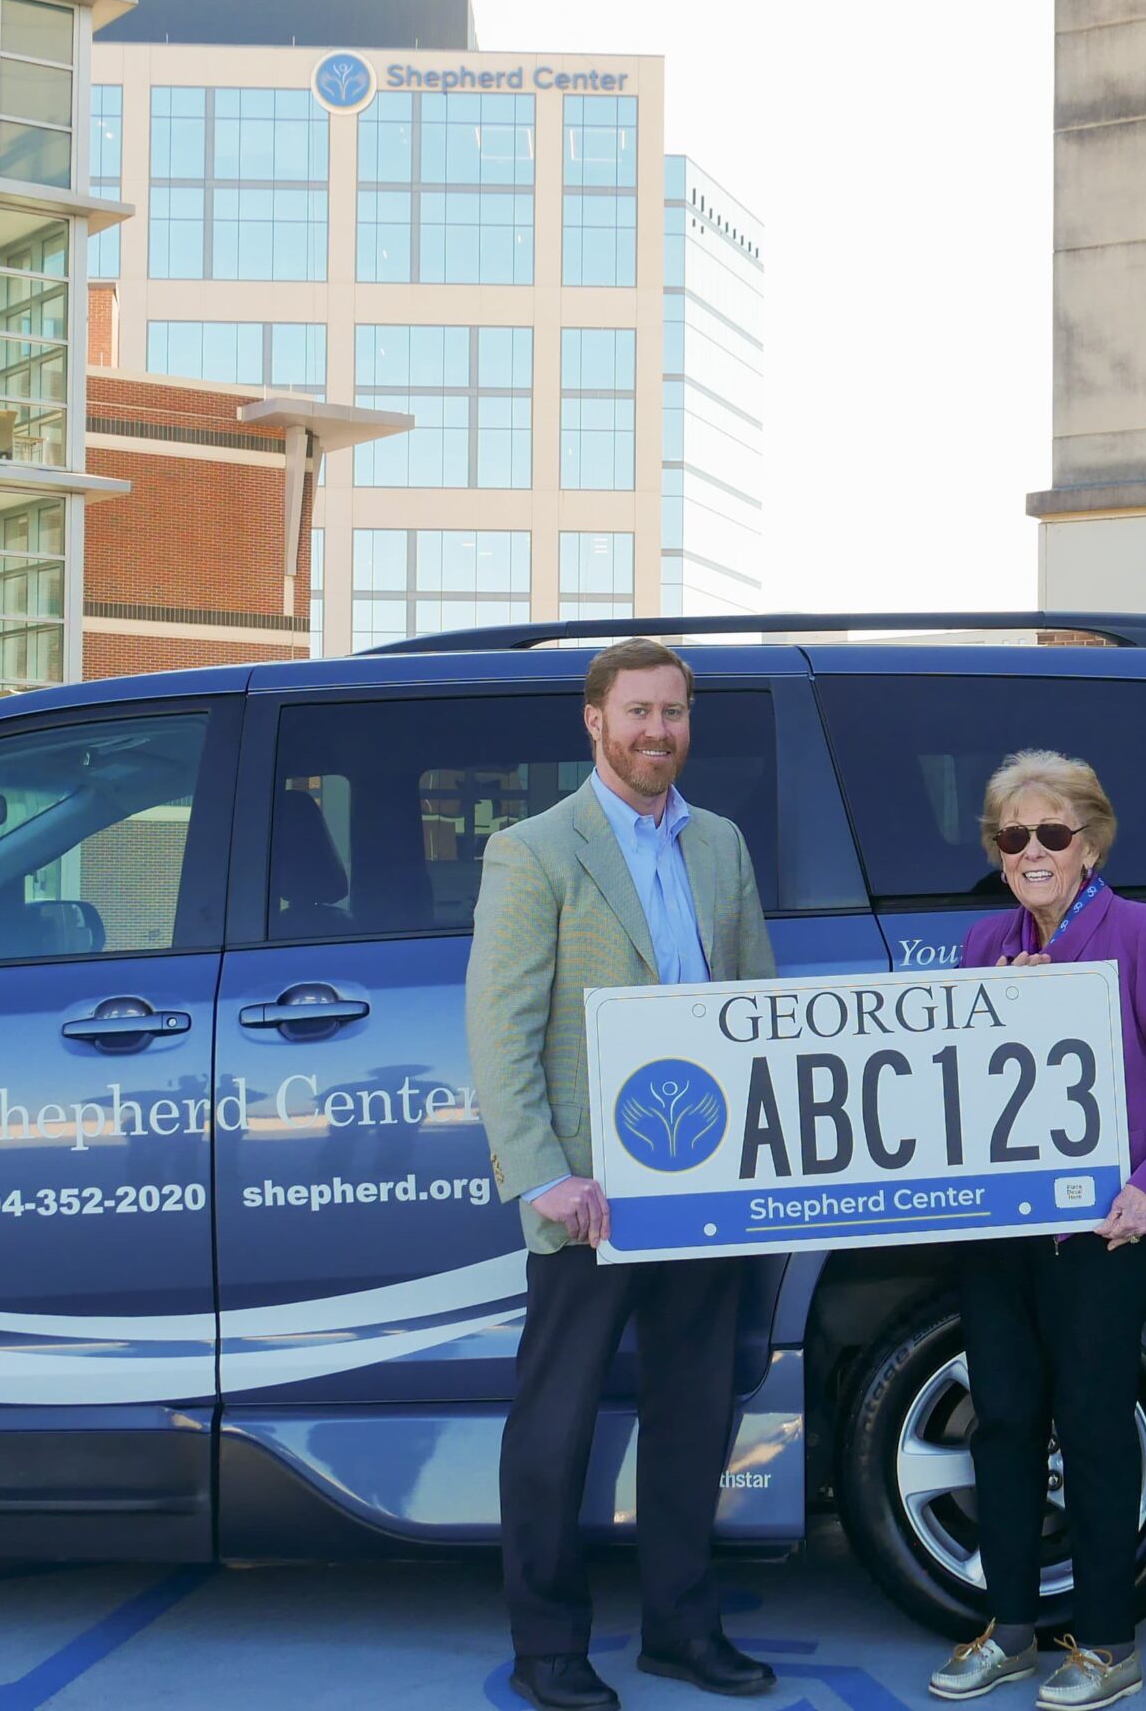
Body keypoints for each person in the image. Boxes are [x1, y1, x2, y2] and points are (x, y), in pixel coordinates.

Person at [467, 637, 780, 1711]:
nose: (659, 732)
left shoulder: (722, 847)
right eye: (639, 712)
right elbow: (500, 1030)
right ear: (594, 721)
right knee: (553, 1423)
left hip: (701, 1190)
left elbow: (754, 1011)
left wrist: (757, 1168)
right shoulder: (535, 851)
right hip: (590, 1195)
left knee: (695, 1417)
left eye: (675, 713)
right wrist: (541, 1177)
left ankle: (679, 1632)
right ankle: (547, 1647)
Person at [928, 750, 1146, 1711]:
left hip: (1101, 1233)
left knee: (1095, 1425)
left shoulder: (1145, 937)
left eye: (1051, 832)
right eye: (1012, 835)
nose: (1031, 849)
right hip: (997, 1233)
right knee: (1003, 1418)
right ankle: (1009, 1626)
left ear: (1090, 842)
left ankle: (1107, 1640)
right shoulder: (982, 946)